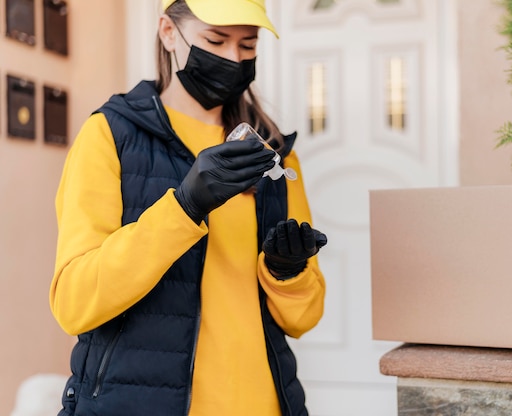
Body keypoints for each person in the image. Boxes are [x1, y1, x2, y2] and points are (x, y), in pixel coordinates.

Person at [49, 1, 327, 415]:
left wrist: (286, 273)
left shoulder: (274, 156)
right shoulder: (109, 136)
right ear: (167, 32)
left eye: (248, 45)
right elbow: (75, 303)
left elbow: (303, 319)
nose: (233, 58)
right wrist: (185, 207)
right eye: (215, 40)